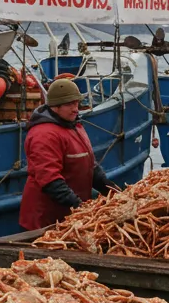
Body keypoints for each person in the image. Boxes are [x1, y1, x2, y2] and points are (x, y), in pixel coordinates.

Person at [18, 80, 115, 231]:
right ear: (55, 106)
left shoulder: (74, 125)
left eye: (76, 103)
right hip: (46, 221)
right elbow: (50, 181)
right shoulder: (44, 135)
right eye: (69, 104)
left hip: (70, 218)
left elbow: (89, 166)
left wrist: (112, 190)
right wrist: (79, 207)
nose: (75, 109)